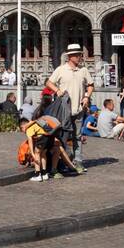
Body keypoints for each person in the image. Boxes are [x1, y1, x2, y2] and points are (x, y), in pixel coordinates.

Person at [45, 43, 93, 171]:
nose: (79, 57)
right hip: (64, 110)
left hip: (78, 109)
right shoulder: (61, 69)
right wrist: (57, 90)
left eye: (80, 55)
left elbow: (90, 85)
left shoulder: (83, 70)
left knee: (77, 136)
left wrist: (87, 96)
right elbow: (49, 82)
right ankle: (61, 161)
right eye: (77, 55)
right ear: (70, 56)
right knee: (63, 137)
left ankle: (78, 162)